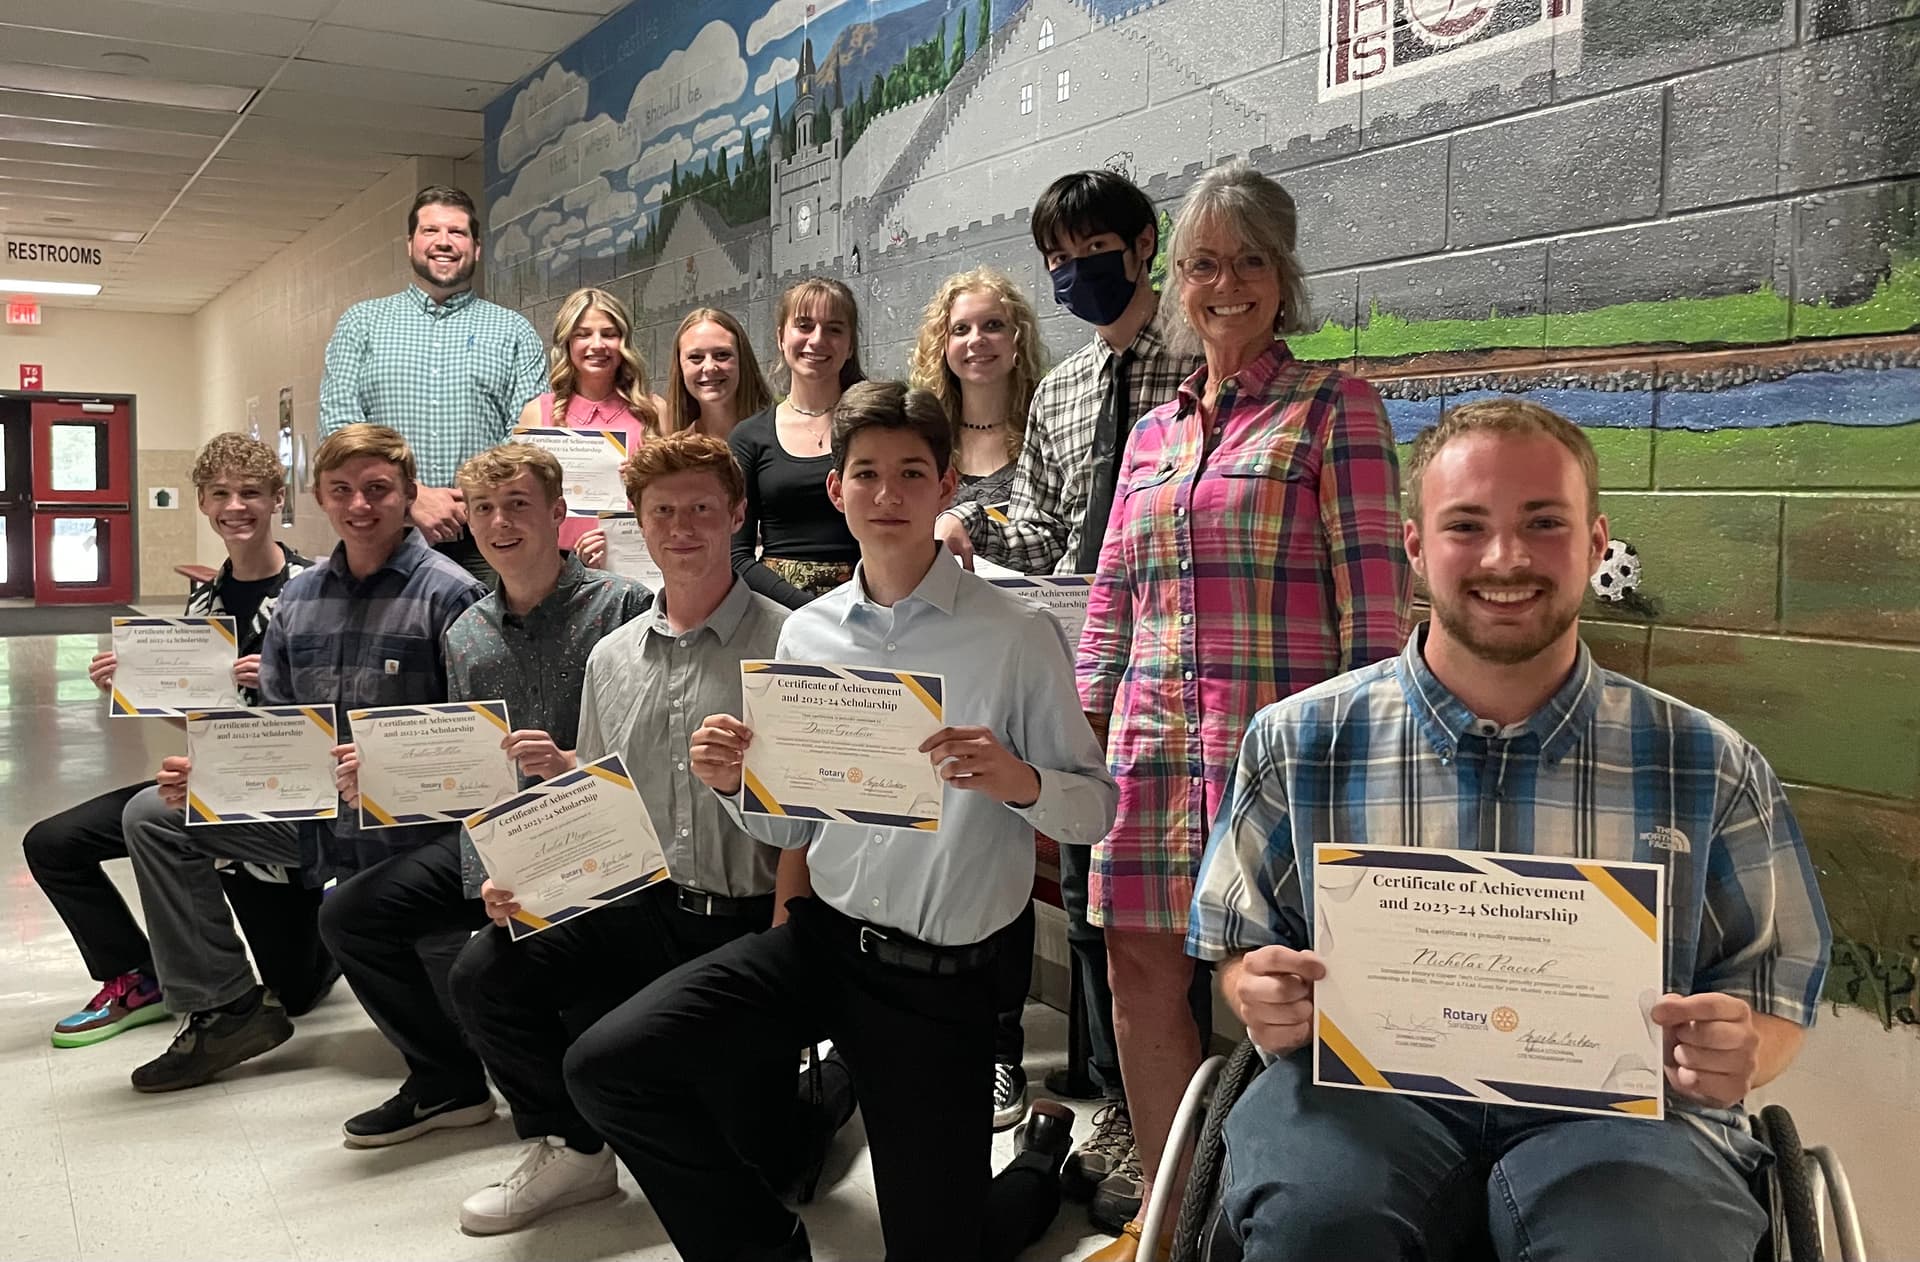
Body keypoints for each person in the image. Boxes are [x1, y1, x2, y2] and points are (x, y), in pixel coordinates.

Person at [1190, 397, 1833, 1262]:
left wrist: (1742, 1050)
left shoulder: (1707, 765)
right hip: (1360, 1101)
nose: (1506, 558)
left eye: (1544, 523)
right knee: (1318, 1221)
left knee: (1639, 1246)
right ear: (1415, 548)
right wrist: (1254, 993)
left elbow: (1774, 992)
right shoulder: (1299, 742)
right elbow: (1240, 944)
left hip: (1627, 1129)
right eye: (1466, 525)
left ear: (1596, 543)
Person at [566, 381, 1112, 1262]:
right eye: (866, 474)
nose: (887, 496)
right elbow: (791, 833)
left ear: (945, 490)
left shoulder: (1012, 636)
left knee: (945, 1247)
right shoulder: (807, 635)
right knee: (607, 1067)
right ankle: (766, 1247)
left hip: (943, 987)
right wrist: (736, 783)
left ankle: (1041, 1161)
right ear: (836, 490)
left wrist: (1017, 780)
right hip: (822, 949)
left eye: (910, 474)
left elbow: (1095, 810)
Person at [1075, 161, 1411, 1260]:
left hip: (1286, 764)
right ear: (1176, 280)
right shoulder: (1151, 436)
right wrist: (1080, 732)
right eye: (1204, 262)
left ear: (1284, 275)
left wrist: (1374, 764)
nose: (1226, 282)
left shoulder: (1334, 408)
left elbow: (1375, 613)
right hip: (1150, 751)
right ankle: (1169, 1220)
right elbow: (1113, 599)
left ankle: (1270, 1217)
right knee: (1138, 967)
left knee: (1286, 992)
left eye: (1250, 259)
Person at [446, 431, 802, 1235]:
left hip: (751, 918)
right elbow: (596, 799)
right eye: (663, 511)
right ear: (638, 522)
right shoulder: (612, 657)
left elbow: (811, 823)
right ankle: (572, 1149)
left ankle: (820, 1090)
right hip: (646, 905)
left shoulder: (791, 642)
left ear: (737, 514)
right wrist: (528, 886)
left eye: (702, 509)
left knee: (772, 1166)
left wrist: (790, 938)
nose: (683, 528)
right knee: (485, 971)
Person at [933, 170, 1206, 1217]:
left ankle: (1197, 1122)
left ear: (1144, 246)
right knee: (1098, 905)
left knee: (1205, 920)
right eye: (1056, 257)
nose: (1072, 270)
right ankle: (1123, 1103)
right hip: (1089, 676)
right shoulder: (1064, 389)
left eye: (1091, 247)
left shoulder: (1198, 358)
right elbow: (1044, 526)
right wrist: (979, 530)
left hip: (1190, 674)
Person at [119, 424, 486, 1093]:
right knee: (155, 814)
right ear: (319, 497)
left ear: (408, 495)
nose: (360, 505)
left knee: (466, 1033)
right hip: (312, 815)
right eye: (342, 490)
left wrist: (389, 775)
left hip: (405, 835)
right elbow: (282, 727)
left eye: (379, 489)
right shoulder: (302, 596)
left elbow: (477, 749)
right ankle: (225, 1007)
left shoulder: (451, 595)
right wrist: (217, 775)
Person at [326, 441, 651, 1146]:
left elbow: (647, 753)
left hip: (600, 843)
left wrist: (571, 764)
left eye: (518, 506)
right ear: (468, 523)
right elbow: (460, 766)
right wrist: (376, 779)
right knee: (351, 914)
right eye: (484, 510)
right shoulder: (465, 631)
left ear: (559, 514)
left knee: (503, 970)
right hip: (497, 843)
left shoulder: (624, 606)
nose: (501, 523)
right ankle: (446, 1081)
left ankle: (563, 1138)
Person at [25, 433, 334, 1049]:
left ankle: (333, 925)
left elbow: (332, 718)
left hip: (278, 797)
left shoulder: (317, 590)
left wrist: (277, 688)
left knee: (296, 990)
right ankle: (139, 975)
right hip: (205, 782)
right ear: (202, 503)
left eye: (250, 493)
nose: (235, 507)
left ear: (277, 499)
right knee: (54, 844)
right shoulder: (202, 602)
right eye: (220, 494)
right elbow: (199, 720)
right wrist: (134, 687)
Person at [910, 266, 1051, 1130]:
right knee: (943, 841)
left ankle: (1002, 1047)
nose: (977, 342)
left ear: (1016, 336)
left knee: (1009, 854)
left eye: (994, 326)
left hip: (1026, 660)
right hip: (937, 662)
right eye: (962, 327)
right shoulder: (924, 433)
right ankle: (932, 1029)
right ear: (943, 340)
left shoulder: (1051, 427)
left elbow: (1066, 543)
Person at [319, 184, 546, 583]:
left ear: (476, 247)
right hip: (386, 536)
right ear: (410, 244)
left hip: (487, 542)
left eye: (457, 232)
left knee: (485, 645)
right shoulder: (362, 324)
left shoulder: (513, 331)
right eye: (430, 231)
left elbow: (529, 441)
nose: (444, 242)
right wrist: (413, 496)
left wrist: (476, 500)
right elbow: (341, 433)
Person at [728, 278, 864, 608]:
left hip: (866, 606)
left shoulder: (874, 427)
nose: (817, 340)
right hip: (775, 611)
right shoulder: (748, 437)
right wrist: (807, 611)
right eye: (804, 325)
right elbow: (735, 556)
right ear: (781, 337)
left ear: (849, 346)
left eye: (834, 329)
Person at [514, 286, 667, 568]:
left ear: (624, 342)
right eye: (583, 334)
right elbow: (521, 500)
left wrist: (644, 477)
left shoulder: (654, 411)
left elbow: (677, 493)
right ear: (567, 343)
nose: (597, 345)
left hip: (636, 562)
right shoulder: (538, 413)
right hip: (554, 566)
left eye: (609, 334)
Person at [666, 306, 774, 441]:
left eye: (722, 354)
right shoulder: (674, 454)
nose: (709, 367)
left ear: (743, 361)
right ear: (680, 368)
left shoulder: (780, 436)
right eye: (695, 357)